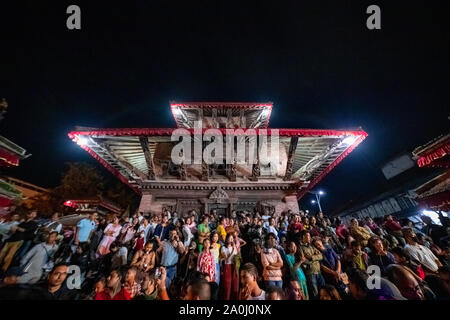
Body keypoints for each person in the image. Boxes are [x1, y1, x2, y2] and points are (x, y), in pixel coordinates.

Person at [298, 230, 325, 299]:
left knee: (324, 291)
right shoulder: (300, 248)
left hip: (319, 271)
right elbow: (304, 261)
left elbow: (321, 256)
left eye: (310, 236)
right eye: (308, 236)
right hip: (311, 273)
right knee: (315, 294)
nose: (309, 237)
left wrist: (311, 257)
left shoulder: (312, 246)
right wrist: (315, 259)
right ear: (303, 237)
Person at [220, 233, 239, 300]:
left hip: (234, 267)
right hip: (227, 266)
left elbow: (236, 257)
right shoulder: (223, 248)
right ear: (227, 239)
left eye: (232, 238)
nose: (231, 240)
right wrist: (233, 250)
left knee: (235, 285)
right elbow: (227, 259)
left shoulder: (234, 247)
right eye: (230, 238)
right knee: (227, 285)